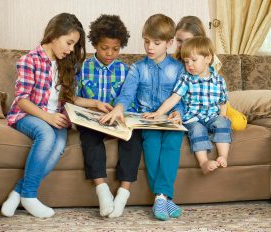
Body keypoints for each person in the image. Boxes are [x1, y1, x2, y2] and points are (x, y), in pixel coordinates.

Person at [1, 13, 86, 218]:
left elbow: (71, 98)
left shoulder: (65, 64)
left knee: (57, 147)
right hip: (26, 114)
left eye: (74, 45)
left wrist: (96, 104)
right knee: (47, 136)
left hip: (55, 117)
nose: (71, 49)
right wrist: (47, 118)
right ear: (54, 35)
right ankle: (29, 195)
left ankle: (17, 193)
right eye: (69, 42)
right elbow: (22, 99)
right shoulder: (29, 60)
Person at [100, 14, 184, 221]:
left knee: (172, 143)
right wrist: (118, 108)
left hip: (169, 121)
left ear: (170, 43)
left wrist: (177, 113)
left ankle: (161, 196)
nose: (150, 47)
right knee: (152, 145)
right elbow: (127, 94)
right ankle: (164, 198)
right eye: (146, 41)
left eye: (156, 43)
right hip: (146, 121)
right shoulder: (137, 68)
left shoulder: (178, 69)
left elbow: (180, 97)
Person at [74, 14, 142, 218]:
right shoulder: (82, 67)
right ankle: (102, 191)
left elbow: (130, 100)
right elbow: (72, 98)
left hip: (118, 122)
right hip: (92, 122)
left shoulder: (126, 70)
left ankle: (123, 192)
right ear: (95, 44)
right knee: (89, 137)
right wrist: (93, 105)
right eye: (105, 48)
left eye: (115, 48)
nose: (110, 53)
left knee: (134, 137)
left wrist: (119, 114)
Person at [143, 36, 232, 174]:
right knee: (197, 129)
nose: (189, 65)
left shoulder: (219, 80)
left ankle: (223, 156)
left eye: (194, 60)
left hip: (212, 117)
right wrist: (158, 113)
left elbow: (223, 102)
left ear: (208, 58)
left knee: (223, 122)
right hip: (192, 118)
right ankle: (203, 162)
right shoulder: (186, 79)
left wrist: (222, 115)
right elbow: (174, 98)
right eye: (186, 61)